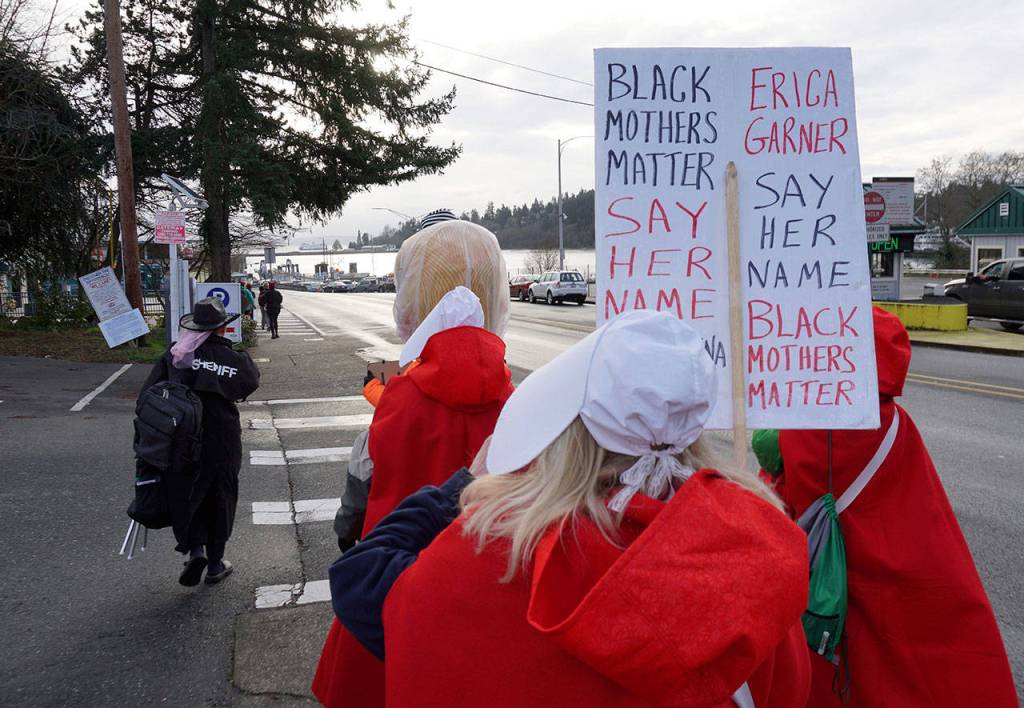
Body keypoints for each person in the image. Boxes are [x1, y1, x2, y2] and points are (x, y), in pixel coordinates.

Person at [329, 310, 811, 707]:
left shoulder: (492, 556)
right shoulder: (753, 561)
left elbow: (361, 578)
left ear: (565, 433)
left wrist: (464, 486)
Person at [313, 216, 513, 708]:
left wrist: (349, 529)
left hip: (395, 580)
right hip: (486, 590)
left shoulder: (397, 401)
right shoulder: (521, 405)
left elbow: (361, 481)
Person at [776, 306, 1017, 707]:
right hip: (911, 567)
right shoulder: (894, 423)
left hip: (834, 587)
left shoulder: (804, 427)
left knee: (848, 668)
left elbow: (784, 502)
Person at [141, 297, 260, 586]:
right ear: (222, 328)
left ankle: (195, 551)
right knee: (221, 494)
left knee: (187, 492)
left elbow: (148, 392)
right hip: (221, 436)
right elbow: (250, 382)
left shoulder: (176, 354)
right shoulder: (233, 359)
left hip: (180, 437)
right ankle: (216, 562)